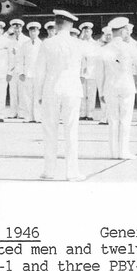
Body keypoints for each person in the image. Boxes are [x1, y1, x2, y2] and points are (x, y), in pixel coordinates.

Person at [33, 9, 85, 180]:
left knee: (50, 131)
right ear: (70, 25)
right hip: (71, 90)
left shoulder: (47, 43)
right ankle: (72, 172)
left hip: (52, 90)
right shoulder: (77, 44)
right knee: (71, 131)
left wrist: (38, 93)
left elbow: (40, 72)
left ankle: (49, 171)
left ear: (56, 24)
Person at [97, 16, 137, 159]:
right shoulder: (128, 47)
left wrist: (101, 91)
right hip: (126, 87)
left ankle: (113, 152)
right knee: (125, 120)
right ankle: (123, 152)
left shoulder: (106, 48)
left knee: (113, 121)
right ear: (123, 31)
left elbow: (100, 72)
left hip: (110, 88)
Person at [16, 21, 42, 122]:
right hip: (27, 74)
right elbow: (20, 59)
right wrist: (21, 72)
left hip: (38, 74)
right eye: (31, 31)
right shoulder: (25, 45)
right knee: (27, 96)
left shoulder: (42, 44)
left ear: (38, 32)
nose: (33, 33)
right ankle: (28, 117)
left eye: (35, 31)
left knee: (38, 96)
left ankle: (38, 116)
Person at [3, 19, 25, 119]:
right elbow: (1, 40)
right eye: (15, 28)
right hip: (11, 70)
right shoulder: (9, 39)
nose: (17, 30)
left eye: (18, 27)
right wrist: (8, 31)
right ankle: (13, 112)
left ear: (21, 28)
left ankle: (21, 112)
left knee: (22, 92)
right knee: (12, 92)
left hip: (21, 70)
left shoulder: (26, 39)